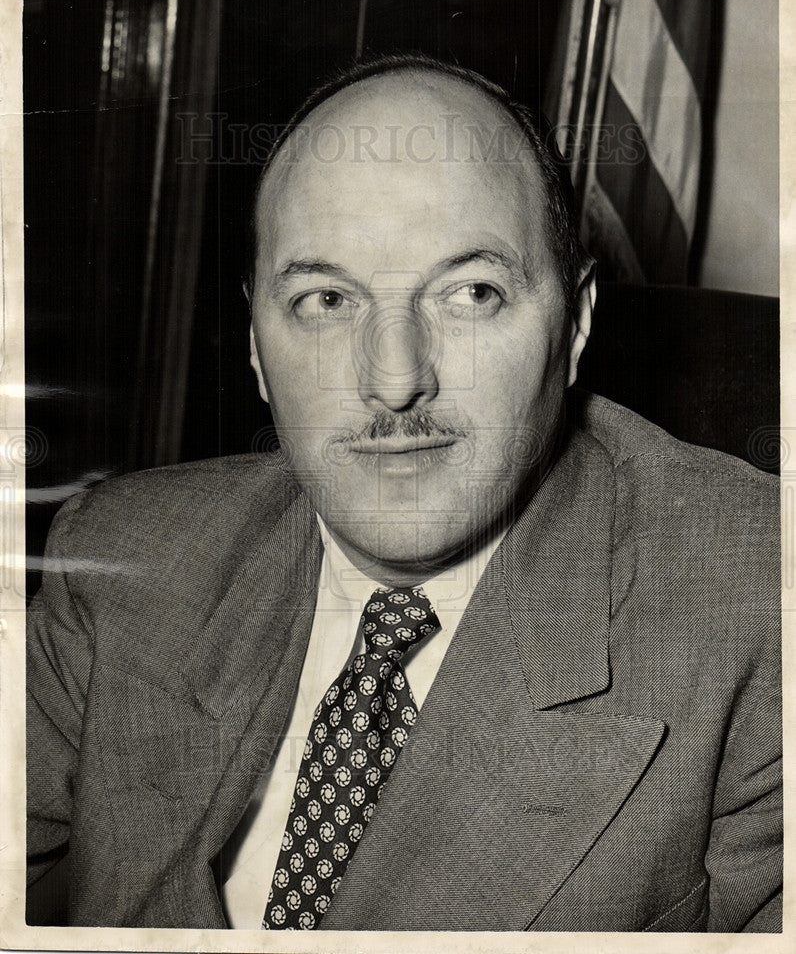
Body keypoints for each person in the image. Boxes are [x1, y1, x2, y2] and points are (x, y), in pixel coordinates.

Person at [26, 54, 781, 932]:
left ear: (573, 326)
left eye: (471, 293)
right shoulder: (124, 564)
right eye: (324, 299)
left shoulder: (761, 618)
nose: (394, 381)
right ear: (256, 348)